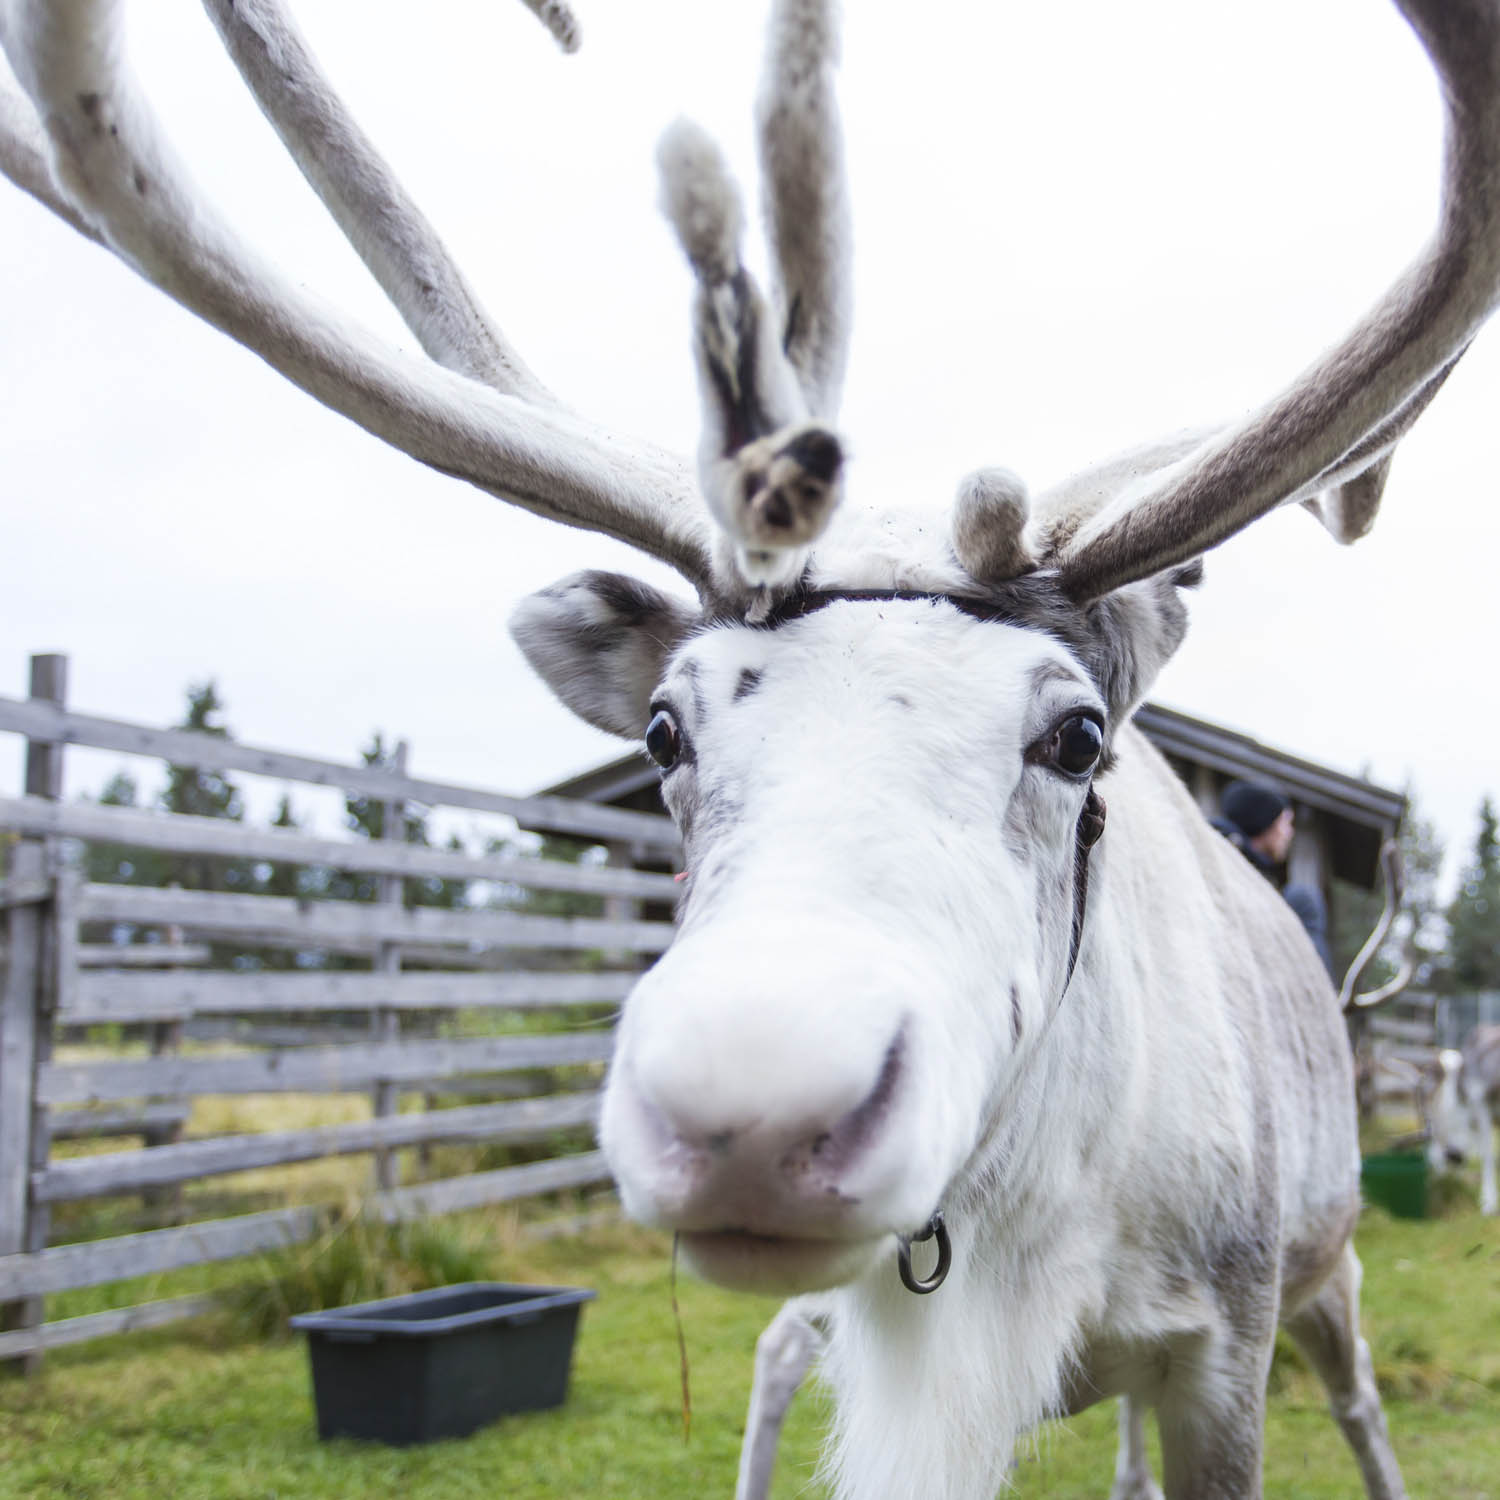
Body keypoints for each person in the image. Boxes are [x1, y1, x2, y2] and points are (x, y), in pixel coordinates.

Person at [1212, 780, 1333, 974]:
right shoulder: (1234, 874)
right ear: (1265, 822)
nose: (1289, 833)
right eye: (1286, 823)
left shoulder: (1223, 861)